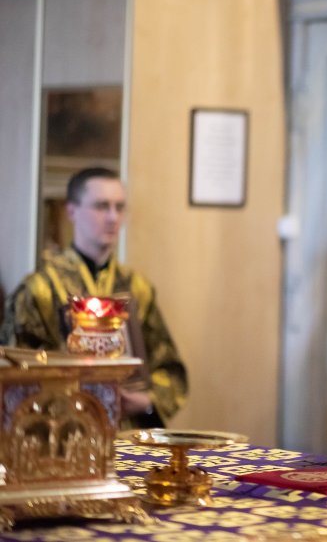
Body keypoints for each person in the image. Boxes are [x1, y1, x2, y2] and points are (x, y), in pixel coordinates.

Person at [0, 167, 188, 430]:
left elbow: (169, 368)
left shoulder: (137, 287)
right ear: (71, 211)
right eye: (101, 206)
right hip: (62, 432)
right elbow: (12, 373)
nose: (113, 217)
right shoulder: (40, 289)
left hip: (127, 435)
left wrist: (146, 401)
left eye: (119, 207)